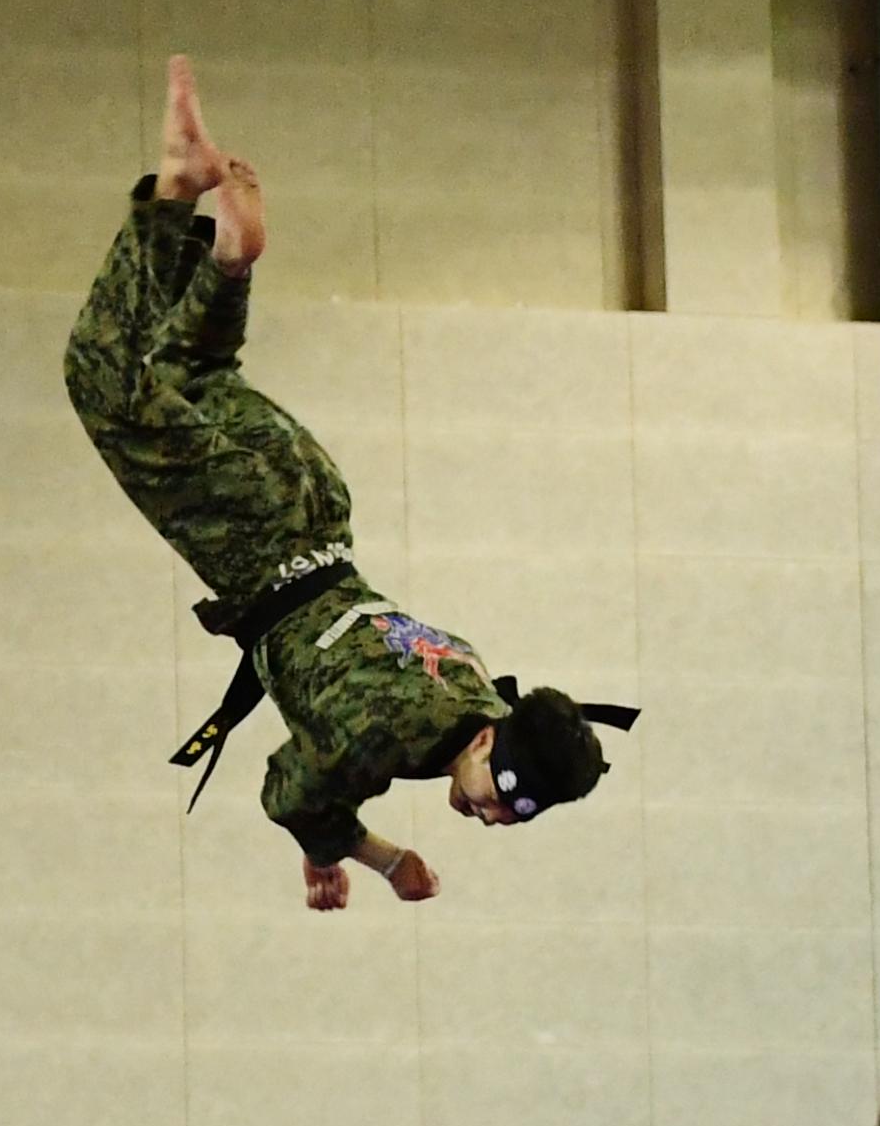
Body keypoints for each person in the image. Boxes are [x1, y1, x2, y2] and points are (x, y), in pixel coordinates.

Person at [66, 58, 629, 910]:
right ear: (486, 739)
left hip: (316, 503)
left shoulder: (471, 676)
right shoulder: (385, 737)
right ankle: (175, 192)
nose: (493, 816)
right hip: (259, 544)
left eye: (517, 814)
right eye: (501, 790)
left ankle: (228, 264)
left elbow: (320, 783)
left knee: (191, 368)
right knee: (102, 381)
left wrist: (323, 843)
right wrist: (380, 857)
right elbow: (288, 793)